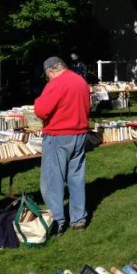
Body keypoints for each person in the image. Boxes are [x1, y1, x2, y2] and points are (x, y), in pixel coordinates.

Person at [34, 56, 91, 235]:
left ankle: (57, 221)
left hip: (58, 135)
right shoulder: (81, 81)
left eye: (47, 76)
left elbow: (41, 110)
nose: (48, 79)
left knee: (53, 181)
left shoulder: (56, 83)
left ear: (51, 70)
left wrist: (37, 101)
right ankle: (79, 219)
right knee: (76, 178)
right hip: (79, 134)